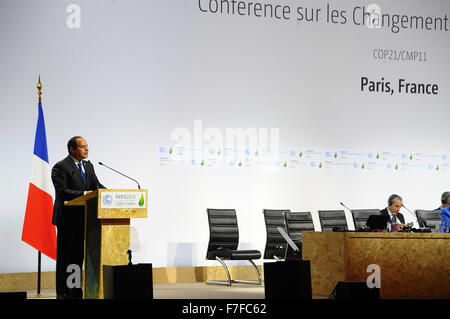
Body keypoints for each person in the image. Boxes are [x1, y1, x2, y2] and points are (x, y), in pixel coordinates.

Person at [51, 136, 105, 299]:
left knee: (77, 257)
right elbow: (62, 192)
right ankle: (64, 293)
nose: (86, 149)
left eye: (87, 146)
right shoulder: (60, 167)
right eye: (82, 147)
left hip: (84, 218)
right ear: (72, 149)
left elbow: (97, 186)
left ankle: (75, 291)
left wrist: (110, 193)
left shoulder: (88, 166)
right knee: (66, 257)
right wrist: (84, 194)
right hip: (67, 218)